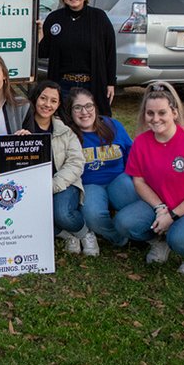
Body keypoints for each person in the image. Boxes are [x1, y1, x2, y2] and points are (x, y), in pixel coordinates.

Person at [114, 82, 184, 274]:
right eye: (150, 113)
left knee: (180, 240)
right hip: (162, 205)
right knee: (124, 223)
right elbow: (138, 181)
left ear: (174, 113)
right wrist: (159, 209)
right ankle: (159, 241)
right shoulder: (141, 142)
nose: (155, 119)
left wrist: (173, 216)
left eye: (162, 113)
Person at [21, 81, 99, 256]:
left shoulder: (65, 131)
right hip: (31, 186)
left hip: (63, 183)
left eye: (53, 101)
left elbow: (76, 162)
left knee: (62, 214)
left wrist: (53, 185)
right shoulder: (21, 126)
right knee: (28, 216)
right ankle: (67, 235)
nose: (47, 104)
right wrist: (16, 140)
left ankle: (85, 233)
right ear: (35, 99)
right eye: (43, 98)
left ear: (58, 105)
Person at [65, 87, 139, 248]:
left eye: (89, 106)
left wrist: (135, 181)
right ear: (70, 112)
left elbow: (132, 157)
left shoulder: (113, 125)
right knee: (93, 215)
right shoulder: (69, 135)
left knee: (132, 196)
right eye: (77, 107)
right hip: (90, 184)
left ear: (95, 107)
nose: (84, 112)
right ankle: (119, 237)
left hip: (118, 179)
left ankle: (144, 233)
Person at [38, 0, 116, 116]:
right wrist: (39, 34)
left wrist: (111, 82)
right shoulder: (54, 19)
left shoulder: (99, 18)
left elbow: (110, 52)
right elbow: (43, 52)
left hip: (92, 85)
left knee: (92, 126)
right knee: (64, 125)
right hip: (63, 85)